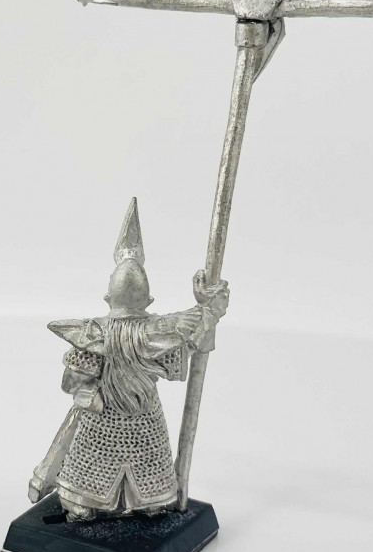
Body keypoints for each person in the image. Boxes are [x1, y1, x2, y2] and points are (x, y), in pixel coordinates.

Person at [28, 199, 228, 520]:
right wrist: (210, 309)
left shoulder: (94, 334)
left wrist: (84, 387)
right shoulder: (158, 333)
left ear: (108, 298)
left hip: (102, 418)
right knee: (145, 471)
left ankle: (86, 505)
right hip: (144, 414)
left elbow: (71, 381)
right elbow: (189, 343)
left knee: (88, 475)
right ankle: (149, 502)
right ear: (148, 300)